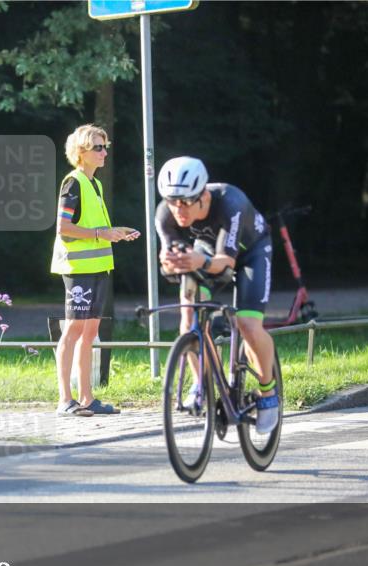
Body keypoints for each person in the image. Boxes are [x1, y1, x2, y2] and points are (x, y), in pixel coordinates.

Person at [155, 156, 279, 433]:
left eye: (185, 202)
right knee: (189, 320)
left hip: (251, 252)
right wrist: (171, 261)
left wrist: (198, 261)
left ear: (203, 196)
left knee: (248, 325)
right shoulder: (165, 213)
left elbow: (226, 263)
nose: (178, 209)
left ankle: (268, 393)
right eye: (172, 201)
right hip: (208, 250)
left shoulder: (230, 203)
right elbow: (170, 257)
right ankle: (202, 383)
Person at [51, 124, 140, 417]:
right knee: (73, 330)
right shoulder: (73, 183)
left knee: (90, 333)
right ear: (81, 152)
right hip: (78, 269)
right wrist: (103, 233)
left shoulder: (95, 184)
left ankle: (87, 398)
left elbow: (94, 227)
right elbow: (63, 228)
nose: (104, 153)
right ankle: (65, 399)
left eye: (105, 147)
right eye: (98, 148)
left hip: (99, 267)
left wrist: (116, 232)